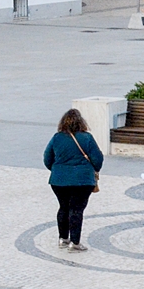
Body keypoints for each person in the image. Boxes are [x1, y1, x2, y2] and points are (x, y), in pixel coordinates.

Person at [43, 108, 103, 252]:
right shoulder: (87, 138)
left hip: (58, 180)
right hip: (82, 181)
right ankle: (75, 243)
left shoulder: (57, 138)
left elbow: (47, 158)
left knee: (63, 207)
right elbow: (98, 159)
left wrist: (58, 170)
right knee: (76, 209)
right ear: (81, 122)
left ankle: (63, 239)